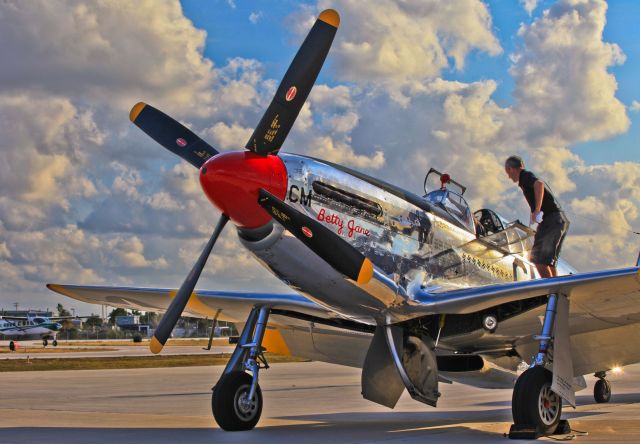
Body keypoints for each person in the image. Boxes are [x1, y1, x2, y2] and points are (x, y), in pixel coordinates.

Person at [504, 155, 569, 278]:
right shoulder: (525, 178)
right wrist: (534, 212)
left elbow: (539, 184)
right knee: (547, 262)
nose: (508, 176)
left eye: (508, 172)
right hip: (557, 220)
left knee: (537, 259)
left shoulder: (525, 176)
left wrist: (537, 210)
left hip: (552, 220)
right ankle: (555, 290)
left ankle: (549, 291)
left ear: (511, 169)